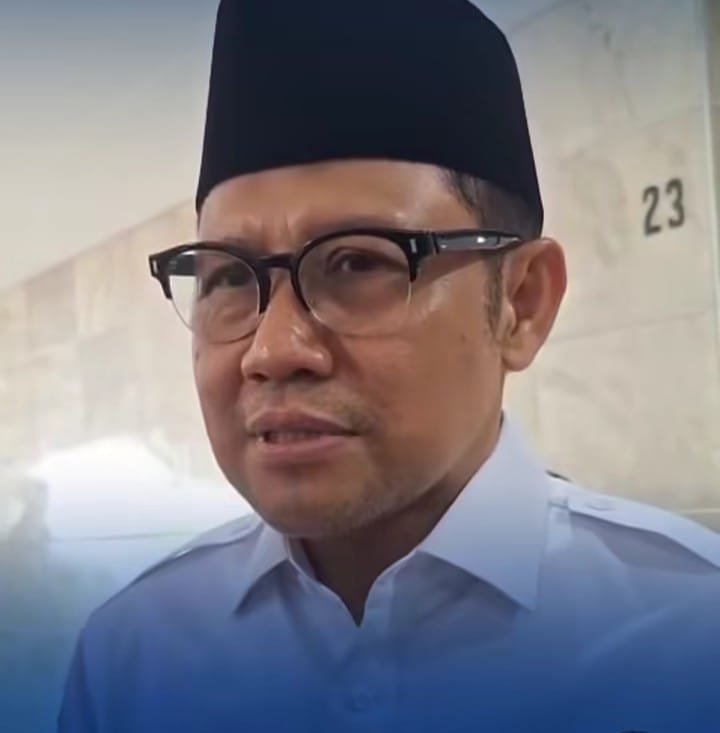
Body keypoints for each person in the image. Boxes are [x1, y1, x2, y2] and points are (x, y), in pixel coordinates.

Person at [59, 1, 720, 731]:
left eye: (357, 263)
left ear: (521, 304)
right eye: (229, 278)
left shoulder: (692, 632)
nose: (272, 351)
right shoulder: (133, 655)